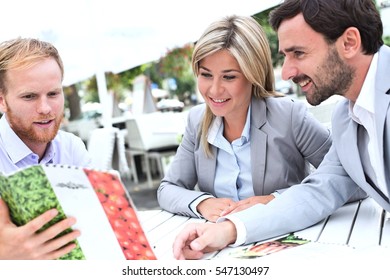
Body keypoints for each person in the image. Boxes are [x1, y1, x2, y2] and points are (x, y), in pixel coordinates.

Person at [172, 0, 388, 260]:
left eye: (298, 53)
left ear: (349, 42)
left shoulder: (292, 115)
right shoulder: (347, 117)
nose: (286, 73)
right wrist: (228, 230)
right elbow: (319, 190)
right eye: (285, 56)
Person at [157, 15, 332, 222]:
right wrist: (202, 202)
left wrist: (274, 200)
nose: (214, 90)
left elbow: (351, 181)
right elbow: (167, 189)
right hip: (222, 240)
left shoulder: (289, 116)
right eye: (206, 75)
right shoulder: (197, 121)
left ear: (253, 75)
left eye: (229, 77)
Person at [0, 37, 92, 259]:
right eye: (29, 96)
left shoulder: (72, 147)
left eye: (53, 94)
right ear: (2, 100)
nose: (45, 108)